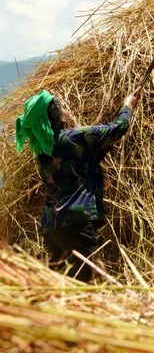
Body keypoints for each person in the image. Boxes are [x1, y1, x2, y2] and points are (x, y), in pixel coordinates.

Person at [16, 88, 136, 282]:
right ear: (54, 114)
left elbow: (85, 159)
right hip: (74, 222)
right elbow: (119, 127)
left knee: (63, 284)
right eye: (60, 108)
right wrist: (127, 105)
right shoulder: (74, 137)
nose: (64, 111)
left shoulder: (42, 150)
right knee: (86, 281)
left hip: (52, 225)